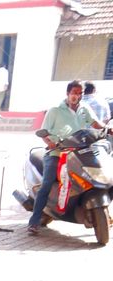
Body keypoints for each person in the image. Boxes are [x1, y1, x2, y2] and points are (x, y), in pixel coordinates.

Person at [28, 80, 103, 234]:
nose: (77, 96)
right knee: (47, 185)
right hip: (57, 153)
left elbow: (95, 124)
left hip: (79, 153)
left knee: (99, 177)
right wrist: (50, 143)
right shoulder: (55, 111)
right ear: (68, 94)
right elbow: (44, 132)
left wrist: (107, 129)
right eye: (74, 93)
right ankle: (34, 222)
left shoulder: (84, 109)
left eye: (80, 93)